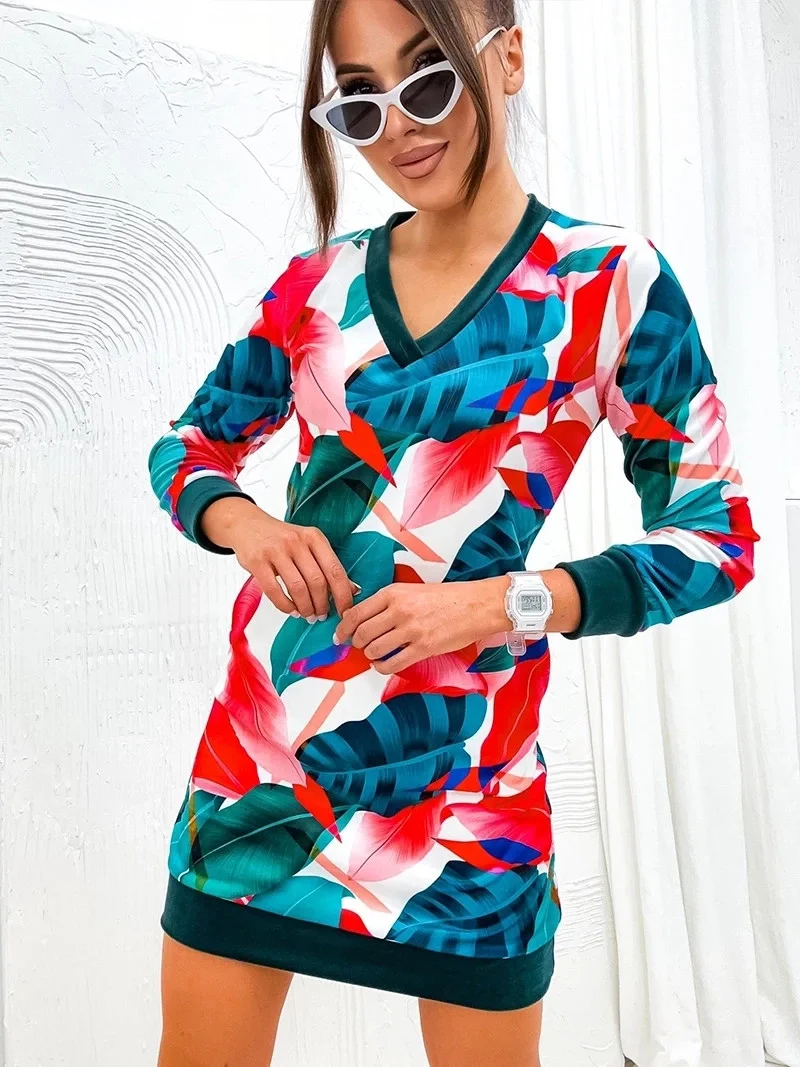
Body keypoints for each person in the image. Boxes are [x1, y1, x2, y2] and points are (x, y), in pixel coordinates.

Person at [148, 0, 759, 1064]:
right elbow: (189, 443)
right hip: (260, 772)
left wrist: (500, 603)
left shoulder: (608, 282)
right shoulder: (317, 283)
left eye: (428, 79)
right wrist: (245, 523)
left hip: (469, 802)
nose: (398, 126)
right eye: (359, 101)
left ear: (507, 58)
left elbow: (718, 537)